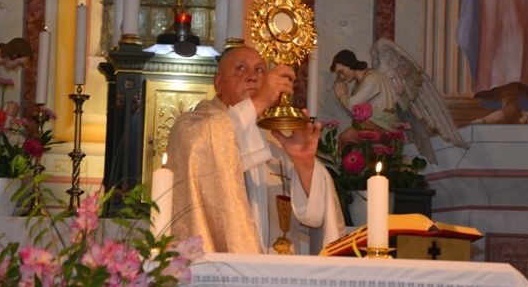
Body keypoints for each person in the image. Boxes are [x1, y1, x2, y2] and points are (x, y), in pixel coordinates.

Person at [166, 45, 345, 254]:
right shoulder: (193, 126)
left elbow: (315, 218)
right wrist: (260, 100)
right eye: (240, 68)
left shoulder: (279, 137)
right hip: (225, 265)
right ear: (218, 83)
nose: (253, 77)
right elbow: (204, 145)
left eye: (260, 70)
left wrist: (304, 164)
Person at [330, 49, 398, 148]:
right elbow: (354, 113)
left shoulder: (372, 78)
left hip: (381, 126)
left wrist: (342, 96)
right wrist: (342, 98)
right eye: (338, 75)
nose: (341, 77)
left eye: (341, 72)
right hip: (371, 124)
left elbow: (352, 105)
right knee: (345, 140)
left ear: (350, 64)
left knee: (345, 139)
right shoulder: (360, 81)